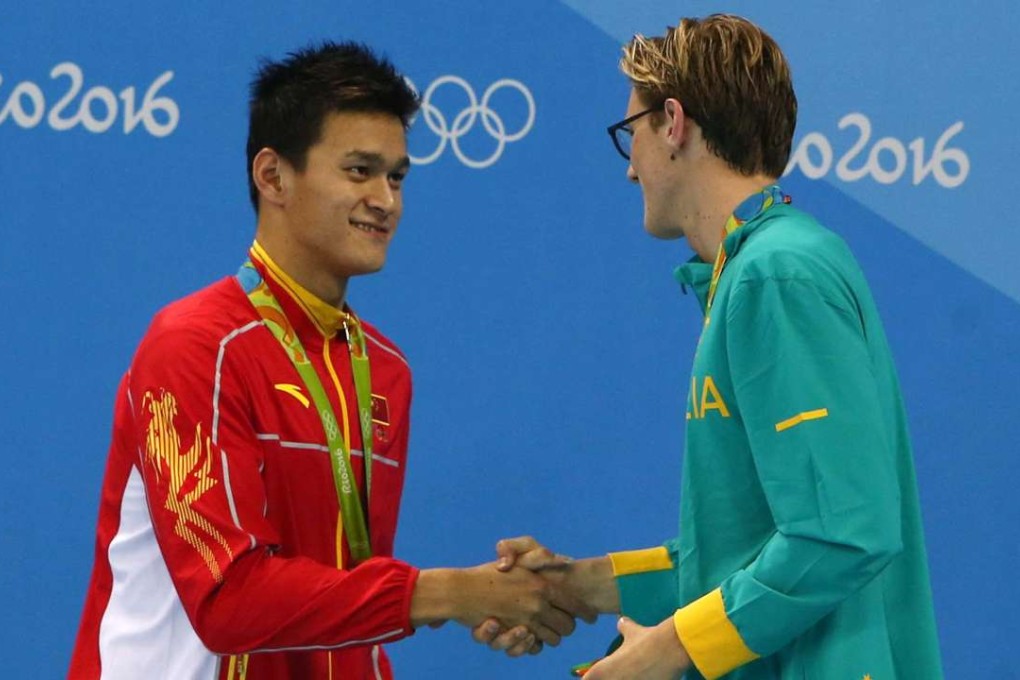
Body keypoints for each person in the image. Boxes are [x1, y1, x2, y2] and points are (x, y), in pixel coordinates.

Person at [68, 41, 590, 680]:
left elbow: (348, 597)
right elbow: (228, 601)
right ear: (273, 176)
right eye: (358, 170)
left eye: (396, 176)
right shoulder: (196, 346)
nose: (386, 200)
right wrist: (454, 593)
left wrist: (504, 598)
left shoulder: (384, 369)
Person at [481, 14, 943, 680]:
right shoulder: (755, 269)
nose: (630, 167)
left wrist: (657, 656)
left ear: (674, 123)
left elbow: (841, 536)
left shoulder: (777, 273)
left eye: (630, 135)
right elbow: (745, 553)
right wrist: (576, 585)